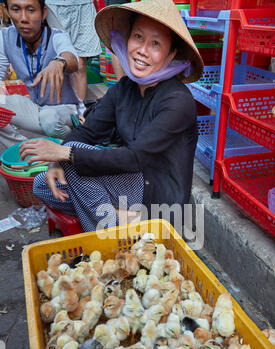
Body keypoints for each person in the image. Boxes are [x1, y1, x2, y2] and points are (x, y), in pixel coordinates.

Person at [20, 0, 204, 233]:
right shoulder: (126, 87)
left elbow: (135, 158)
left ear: (170, 55)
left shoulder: (178, 101)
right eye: (138, 37)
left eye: (155, 43)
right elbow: (89, 131)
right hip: (127, 182)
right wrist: (57, 160)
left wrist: (66, 153)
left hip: (156, 192)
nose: (142, 50)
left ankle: (114, 230)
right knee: (43, 185)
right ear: (127, 39)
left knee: (75, 167)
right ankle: (118, 216)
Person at [0, 0, 82, 149]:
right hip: (34, 109)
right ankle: (23, 150)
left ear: (43, 12)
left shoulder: (57, 36)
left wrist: (59, 62)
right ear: (7, 10)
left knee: (49, 119)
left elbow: (73, 60)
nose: (23, 18)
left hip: (65, 110)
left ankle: (71, 144)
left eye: (31, 10)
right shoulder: (5, 37)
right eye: (16, 9)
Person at [45, 0, 101, 100]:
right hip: (52, 6)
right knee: (53, 61)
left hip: (83, 5)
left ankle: (81, 112)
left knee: (80, 65)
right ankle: (55, 109)